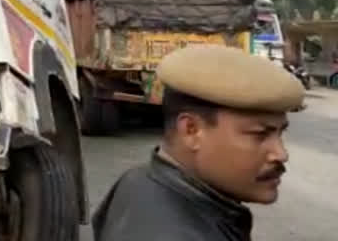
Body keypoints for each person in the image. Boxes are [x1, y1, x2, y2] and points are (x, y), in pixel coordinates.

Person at [92, 45, 305, 241]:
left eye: (280, 133)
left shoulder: (137, 180)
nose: (281, 153)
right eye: (260, 135)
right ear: (191, 131)